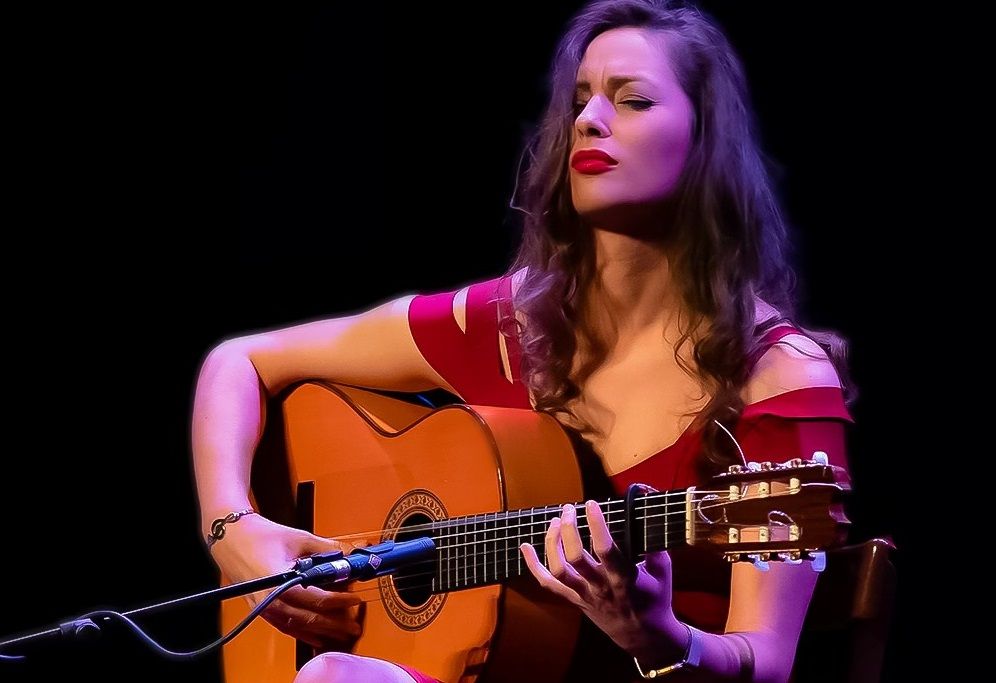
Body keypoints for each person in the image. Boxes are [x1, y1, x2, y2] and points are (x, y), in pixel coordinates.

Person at [191, 1, 855, 681]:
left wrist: (659, 637)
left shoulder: (776, 374)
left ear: (704, 137)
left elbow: (765, 663)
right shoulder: (512, 323)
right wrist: (234, 528)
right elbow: (238, 360)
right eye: (580, 100)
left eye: (631, 100)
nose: (588, 121)